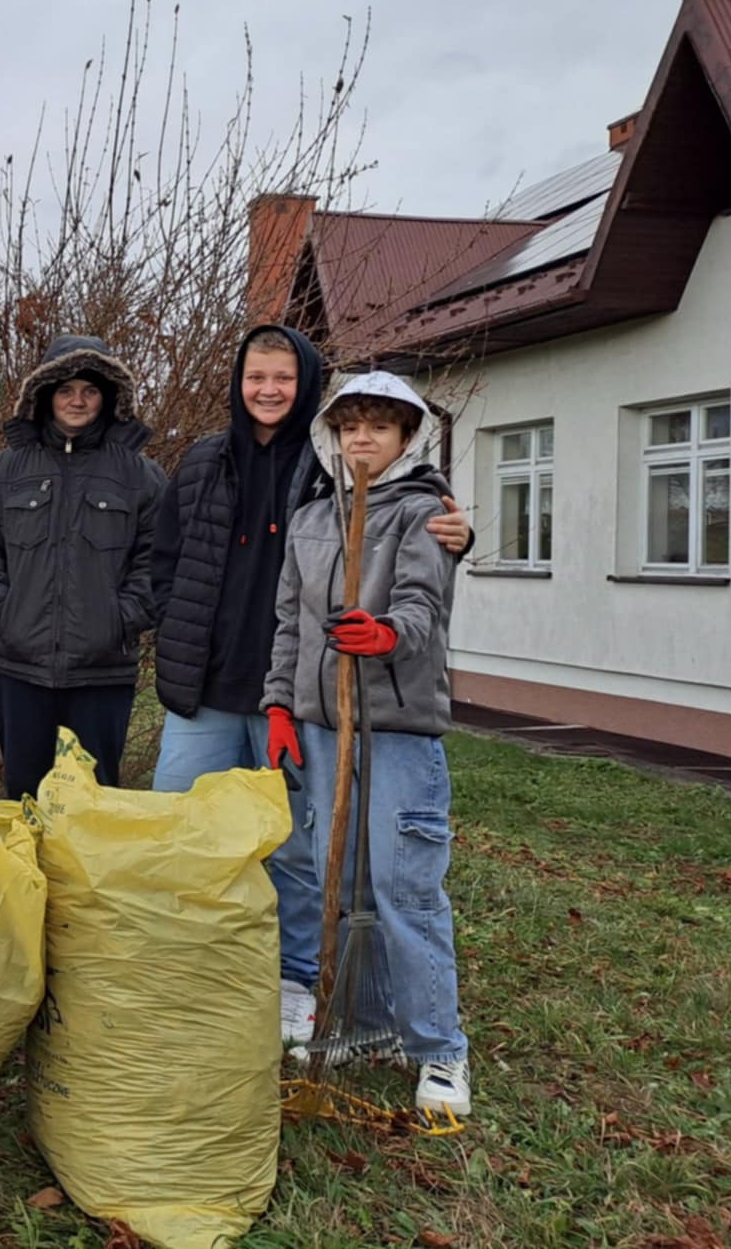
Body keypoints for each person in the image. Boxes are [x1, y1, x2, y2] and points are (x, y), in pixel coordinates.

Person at [149, 324, 472, 1048]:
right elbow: (164, 552)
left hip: (299, 691)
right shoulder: (205, 460)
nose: (267, 391)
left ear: (307, 385)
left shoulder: (326, 459)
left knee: (298, 850)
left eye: (283, 378)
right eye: (255, 377)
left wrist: (461, 535)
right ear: (238, 382)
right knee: (179, 828)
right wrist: (167, 620)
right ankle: (180, 966)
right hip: (204, 684)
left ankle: (298, 980)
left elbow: (413, 503)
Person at [263, 370, 472, 1119]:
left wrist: (386, 635)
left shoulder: (424, 514)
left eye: (380, 427)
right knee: (341, 883)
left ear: (405, 438)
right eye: (352, 425)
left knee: (403, 888)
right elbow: (289, 623)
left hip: (396, 730)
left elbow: (422, 604)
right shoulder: (316, 518)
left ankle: (440, 1051)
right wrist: (280, 707)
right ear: (333, 434)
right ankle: (372, 1024)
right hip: (322, 729)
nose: (363, 438)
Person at [0, 335, 166, 797]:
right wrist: (2, 612)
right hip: (20, 667)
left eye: (89, 390)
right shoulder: (4, 470)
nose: (77, 400)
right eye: (65, 389)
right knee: (24, 798)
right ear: (44, 394)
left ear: (107, 397)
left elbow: (160, 560)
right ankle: (25, 871)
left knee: (97, 801)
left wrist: (123, 619)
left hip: (104, 670)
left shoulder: (139, 474)